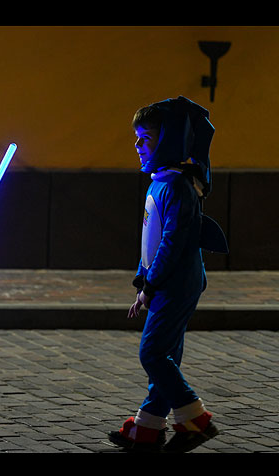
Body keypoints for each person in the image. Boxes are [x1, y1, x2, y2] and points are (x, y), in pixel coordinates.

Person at [108, 96, 221, 453]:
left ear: (168, 140)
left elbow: (170, 244)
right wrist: (142, 281)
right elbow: (150, 241)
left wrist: (151, 285)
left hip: (177, 283)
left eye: (146, 138)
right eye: (138, 138)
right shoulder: (161, 182)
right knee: (165, 355)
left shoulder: (176, 187)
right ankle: (147, 430)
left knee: (153, 354)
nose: (138, 145)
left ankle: (196, 420)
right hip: (166, 283)